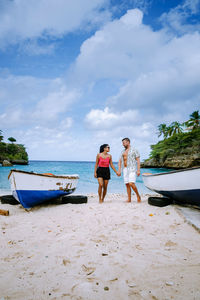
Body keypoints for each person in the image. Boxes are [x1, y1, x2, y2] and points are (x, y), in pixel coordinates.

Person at [118, 138, 141, 203]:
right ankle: (129, 199)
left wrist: (138, 170)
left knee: (131, 183)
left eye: (124, 143)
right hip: (125, 169)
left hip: (132, 168)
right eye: (122, 143)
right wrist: (119, 170)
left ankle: (138, 196)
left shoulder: (134, 150)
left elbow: (138, 161)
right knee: (127, 184)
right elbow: (120, 161)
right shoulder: (122, 151)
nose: (123, 144)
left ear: (128, 142)